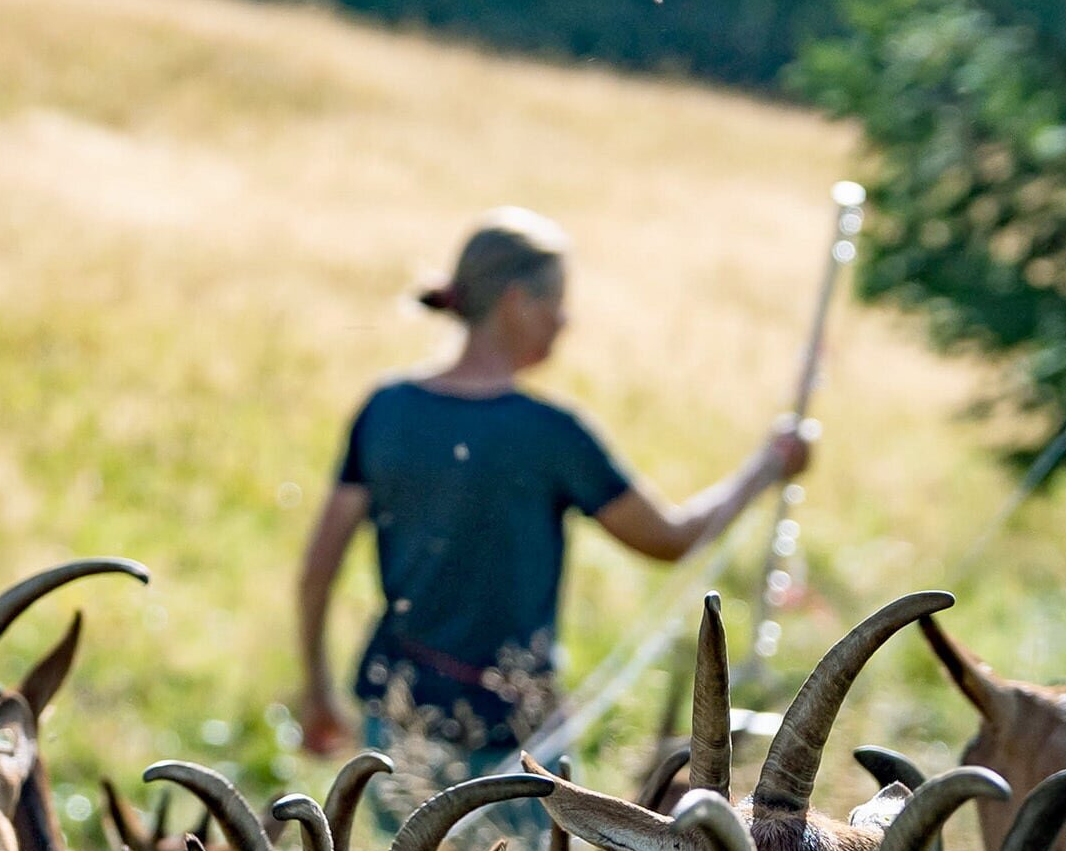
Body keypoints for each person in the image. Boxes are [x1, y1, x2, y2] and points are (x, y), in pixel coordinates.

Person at [296, 210, 813, 809]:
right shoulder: (552, 434)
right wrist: (768, 467)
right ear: (517, 301)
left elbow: (317, 572)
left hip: (396, 715)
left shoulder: (385, 409)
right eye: (558, 304)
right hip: (515, 738)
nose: (565, 321)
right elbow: (672, 538)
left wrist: (317, 692)